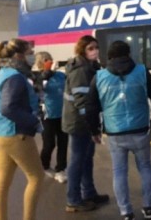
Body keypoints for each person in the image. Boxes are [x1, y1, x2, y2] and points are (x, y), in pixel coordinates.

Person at [86, 40, 151, 220]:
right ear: (129, 54)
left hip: (115, 133)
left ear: (109, 57)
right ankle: (148, 207)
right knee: (145, 167)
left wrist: (94, 130)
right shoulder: (142, 72)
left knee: (119, 171)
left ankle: (126, 211)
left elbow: (90, 107)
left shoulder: (99, 77)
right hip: (140, 130)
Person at [0, 39, 45, 220]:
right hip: (15, 134)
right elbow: (9, 107)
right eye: (30, 52)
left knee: (2, 183)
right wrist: (33, 122)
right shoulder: (15, 76)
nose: (32, 55)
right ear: (19, 55)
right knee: (36, 177)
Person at [62, 35, 109, 212]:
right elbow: (82, 102)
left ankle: (89, 193)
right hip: (79, 123)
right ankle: (73, 200)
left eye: (96, 47)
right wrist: (92, 126)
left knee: (86, 159)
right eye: (90, 48)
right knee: (77, 160)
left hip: (84, 121)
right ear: (82, 50)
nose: (95, 51)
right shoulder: (81, 71)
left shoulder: (91, 67)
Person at [34, 51, 69, 184]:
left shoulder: (60, 75)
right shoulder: (39, 77)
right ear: (40, 63)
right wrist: (45, 75)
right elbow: (37, 89)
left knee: (63, 142)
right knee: (49, 143)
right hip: (47, 115)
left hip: (63, 113)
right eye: (45, 60)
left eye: (49, 59)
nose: (49, 61)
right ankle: (44, 165)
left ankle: (61, 169)